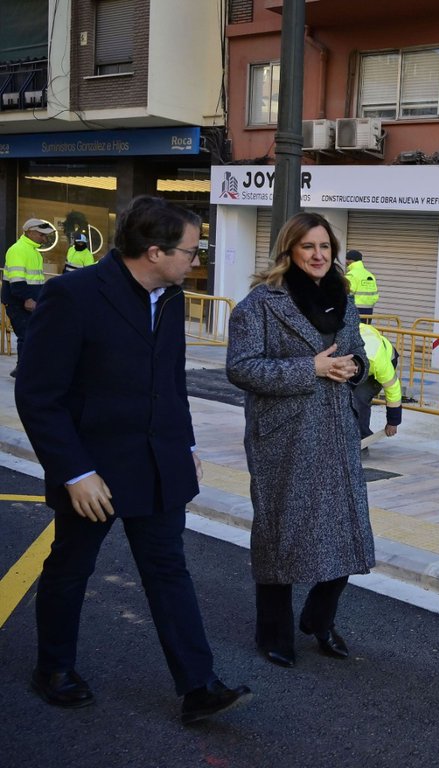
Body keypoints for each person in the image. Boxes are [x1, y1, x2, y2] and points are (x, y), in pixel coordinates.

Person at [13, 196, 251, 723]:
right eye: (191, 250)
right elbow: (37, 394)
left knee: (169, 569)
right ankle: (53, 668)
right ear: (154, 251)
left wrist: (186, 446)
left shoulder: (170, 297)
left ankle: (199, 685)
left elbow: (170, 380)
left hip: (159, 462)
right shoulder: (73, 295)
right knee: (71, 566)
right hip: (92, 470)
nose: (196, 260)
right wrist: (74, 472)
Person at [226, 211, 374, 669]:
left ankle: (319, 618)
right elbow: (241, 368)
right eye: (308, 246)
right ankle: (273, 632)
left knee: (348, 526)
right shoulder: (260, 303)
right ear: (289, 250)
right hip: (284, 436)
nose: (318, 255)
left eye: (325, 246)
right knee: (281, 532)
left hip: (337, 430)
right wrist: (310, 368)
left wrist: (355, 367)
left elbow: (359, 353)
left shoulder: (342, 297)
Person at [3, 217, 54, 376]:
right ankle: (23, 371)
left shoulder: (33, 252)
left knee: (31, 335)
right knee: (26, 335)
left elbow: (35, 280)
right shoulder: (18, 250)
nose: (44, 239)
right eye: (41, 235)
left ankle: (24, 369)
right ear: (30, 232)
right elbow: (17, 280)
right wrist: (27, 299)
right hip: (19, 302)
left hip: (29, 302)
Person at [353, 321, 405, 448]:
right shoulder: (342, 343)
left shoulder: (378, 362)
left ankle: (362, 438)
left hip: (386, 357)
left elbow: (393, 389)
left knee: (359, 396)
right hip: (361, 354)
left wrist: (393, 421)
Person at [344, 249, 379, 317]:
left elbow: (345, 294)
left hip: (353, 311)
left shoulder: (351, 275)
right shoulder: (370, 275)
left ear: (351, 260)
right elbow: (375, 295)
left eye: (347, 259)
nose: (346, 261)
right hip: (369, 312)